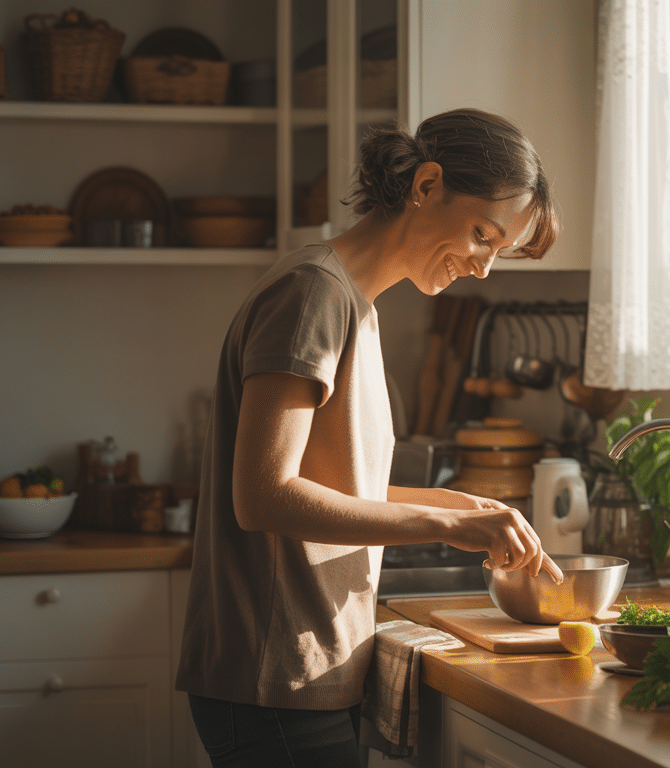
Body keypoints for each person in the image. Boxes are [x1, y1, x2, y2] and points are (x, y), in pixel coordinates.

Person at [175, 108, 565, 766]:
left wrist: (464, 508)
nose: (484, 268)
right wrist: (444, 528)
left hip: (303, 671)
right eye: (481, 235)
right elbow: (264, 496)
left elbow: (332, 485)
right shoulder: (314, 295)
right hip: (276, 676)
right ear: (427, 185)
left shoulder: (356, 302)